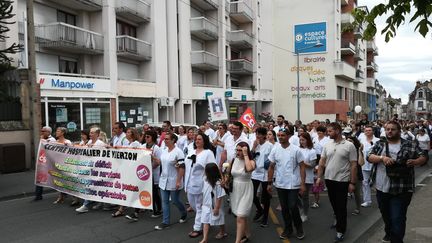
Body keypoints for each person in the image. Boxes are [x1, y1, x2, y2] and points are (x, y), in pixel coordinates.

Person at [367, 121, 427, 243]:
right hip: (381, 188)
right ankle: (389, 232)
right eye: (388, 129)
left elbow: (424, 156)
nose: (389, 131)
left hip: (402, 189)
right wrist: (382, 158)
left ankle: (396, 239)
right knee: (386, 216)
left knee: (397, 218)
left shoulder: (410, 144)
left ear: (399, 131)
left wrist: (415, 162)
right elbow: (369, 156)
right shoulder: (380, 144)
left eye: (393, 129)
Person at [316, 122, 358, 242]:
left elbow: (354, 165)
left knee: (341, 206)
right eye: (327, 131)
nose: (327, 133)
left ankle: (341, 230)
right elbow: (322, 162)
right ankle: (337, 219)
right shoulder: (327, 145)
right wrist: (319, 177)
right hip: (329, 179)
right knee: (333, 203)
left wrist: (352, 183)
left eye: (330, 131)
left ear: (338, 131)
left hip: (342, 180)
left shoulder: (349, 145)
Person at [267, 125, 306, 240]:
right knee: (284, 208)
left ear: (288, 136)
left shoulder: (296, 150)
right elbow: (271, 166)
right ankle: (288, 228)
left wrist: (303, 184)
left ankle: (299, 228)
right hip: (280, 183)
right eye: (279, 135)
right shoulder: (275, 149)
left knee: (292, 206)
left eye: (283, 135)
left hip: (293, 183)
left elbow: (302, 167)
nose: (280, 137)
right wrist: (269, 183)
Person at [184, 133, 216, 238]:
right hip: (189, 184)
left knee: (199, 206)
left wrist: (212, 183)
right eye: (196, 139)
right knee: (194, 206)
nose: (197, 141)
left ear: (204, 141)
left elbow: (212, 168)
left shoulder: (208, 153)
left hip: (201, 184)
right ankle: (206, 220)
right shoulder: (191, 152)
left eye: (199, 139)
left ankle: (197, 228)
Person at [155, 132, 187, 230]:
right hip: (163, 180)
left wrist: (178, 181)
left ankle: (184, 212)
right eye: (165, 139)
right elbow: (162, 162)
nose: (165, 140)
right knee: (165, 201)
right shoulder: (164, 150)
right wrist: (153, 157)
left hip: (174, 180)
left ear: (173, 140)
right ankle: (166, 222)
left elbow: (182, 167)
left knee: (175, 200)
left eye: (167, 139)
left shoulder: (178, 152)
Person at [229, 142, 255, 243]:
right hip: (235, 190)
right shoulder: (233, 160)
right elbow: (229, 173)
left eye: (241, 150)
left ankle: (237, 241)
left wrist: (245, 155)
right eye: (237, 150)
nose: (238, 152)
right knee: (240, 215)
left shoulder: (251, 161)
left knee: (240, 216)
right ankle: (246, 234)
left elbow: (249, 169)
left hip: (246, 189)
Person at [75, 127, 106, 213]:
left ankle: (86, 205)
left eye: (92, 133)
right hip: (89, 169)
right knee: (89, 186)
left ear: (97, 134)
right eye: (90, 133)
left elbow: (105, 157)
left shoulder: (100, 144)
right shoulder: (89, 142)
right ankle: (89, 203)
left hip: (97, 170)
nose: (90, 134)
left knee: (93, 186)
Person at [112, 127, 140, 217]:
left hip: (132, 169)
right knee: (125, 188)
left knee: (132, 189)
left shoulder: (136, 144)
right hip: (127, 169)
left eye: (128, 132)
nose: (126, 134)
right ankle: (122, 208)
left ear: (133, 134)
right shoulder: (129, 143)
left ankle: (135, 210)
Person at [251, 127, 273, 227]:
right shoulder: (255, 144)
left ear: (264, 135)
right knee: (252, 194)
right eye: (257, 134)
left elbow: (272, 160)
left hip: (265, 173)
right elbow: (251, 157)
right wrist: (253, 148)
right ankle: (260, 210)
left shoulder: (269, 146)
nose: (257, 136)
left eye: (260, 134)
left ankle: (265, 218)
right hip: (255, 173)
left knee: (265, 197)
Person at [200, 163, 227, 243]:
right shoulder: (205, 180)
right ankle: (205, 239)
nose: (204, 171)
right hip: (206, 205)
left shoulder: (218, 184)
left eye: (206, 170)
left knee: (220, 219)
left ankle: (222, 231)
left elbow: (219, 197)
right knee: (205, 221)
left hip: (215, 205)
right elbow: (204, 193)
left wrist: (217, 208)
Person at [33, 126, 57, 201]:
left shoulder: (52, 139)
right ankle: (38, 195)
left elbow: (47, 147)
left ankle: (64, 193)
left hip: (51, 162)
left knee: (56, 178)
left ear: (48, 132)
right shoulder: (43, 139)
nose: (42, 133)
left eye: (43, 131)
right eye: (41, 131)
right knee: (39, 178)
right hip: (43, 162)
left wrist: (42, 139)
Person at [298, 132, 317, 222]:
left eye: (303, 140)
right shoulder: (298, 149)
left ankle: (304, 214)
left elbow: (312, 165)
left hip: (307, 177)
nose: (301, 142)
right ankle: (300, 210)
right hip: (297, 176)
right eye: (300, 140)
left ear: (308, 140)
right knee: (297, 196)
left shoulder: (312, 151)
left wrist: (302, 163)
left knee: (304, 197)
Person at [359, 126, 379, 208]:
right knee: (365, 182)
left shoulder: (377, 141)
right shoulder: (361, 141)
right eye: (366, 130)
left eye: (369, 130)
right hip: (364, 165)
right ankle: (367, 200)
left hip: (375, 164)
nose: (367, 132)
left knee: (378, 182)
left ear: (373, 131)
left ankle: (380, 200)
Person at [52, 127, 73, 205]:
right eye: (56, 131)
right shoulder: (55, 142)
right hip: (58, 164)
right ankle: (61, 197)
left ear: (62, 133)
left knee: (69, 181)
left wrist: (68, 146)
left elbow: (73, 152)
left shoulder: (67, 141)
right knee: (59, 181)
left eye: (58, 131)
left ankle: (74, 197)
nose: (56, 132)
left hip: (66, 164)